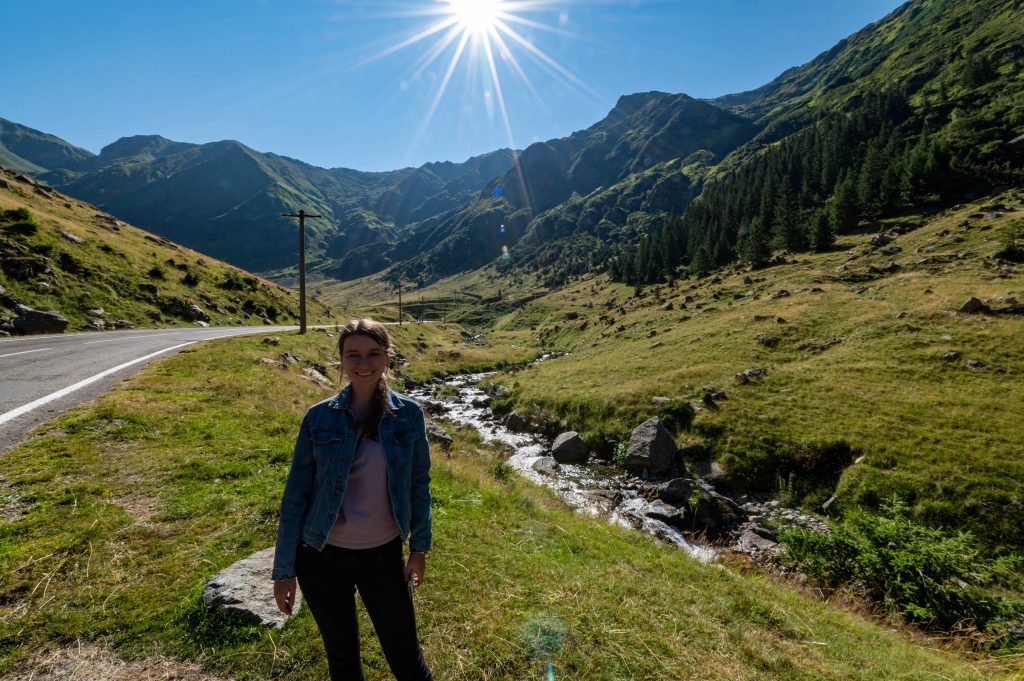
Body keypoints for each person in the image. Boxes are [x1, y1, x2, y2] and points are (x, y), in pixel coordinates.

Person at [272, 318, 433, 681]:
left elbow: (419, 486)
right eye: (353, 355)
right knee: (342, 660)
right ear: (341, 359)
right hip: (320, 559)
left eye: (374, 354)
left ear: (387, 357)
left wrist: (419, 550)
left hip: (383, 555)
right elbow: (295, 498)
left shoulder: (408, 415)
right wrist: (284, 573)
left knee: (405, 656)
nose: (363, 364)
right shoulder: (318, 418)